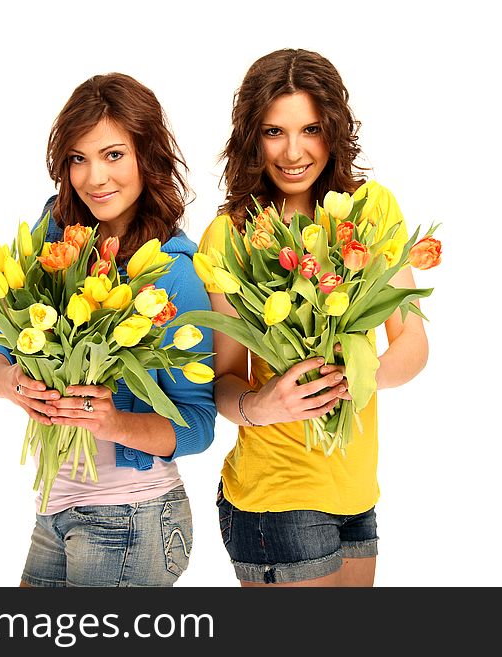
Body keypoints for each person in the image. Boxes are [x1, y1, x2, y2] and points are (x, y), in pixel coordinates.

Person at [0, 73, 216, 587]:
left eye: (113, 155)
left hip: (132, 516)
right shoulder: (55, 236)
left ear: (146, 158)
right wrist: (11, 381)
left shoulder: (173, 273)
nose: (94, 178)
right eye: (78, 159)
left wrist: (113, 423)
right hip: (54, 510)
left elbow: (198, 423)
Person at [198, 49, 429, 587]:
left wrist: (360, 376)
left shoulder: (370, 210)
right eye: (275, 131)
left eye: (312, 129)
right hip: (276, 495)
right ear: (252, 137)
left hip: (356, 493)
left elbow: (412, 342)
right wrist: (262, 403)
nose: (294, 152)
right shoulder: (230, 234)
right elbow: (224, 382)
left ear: (335, 131)